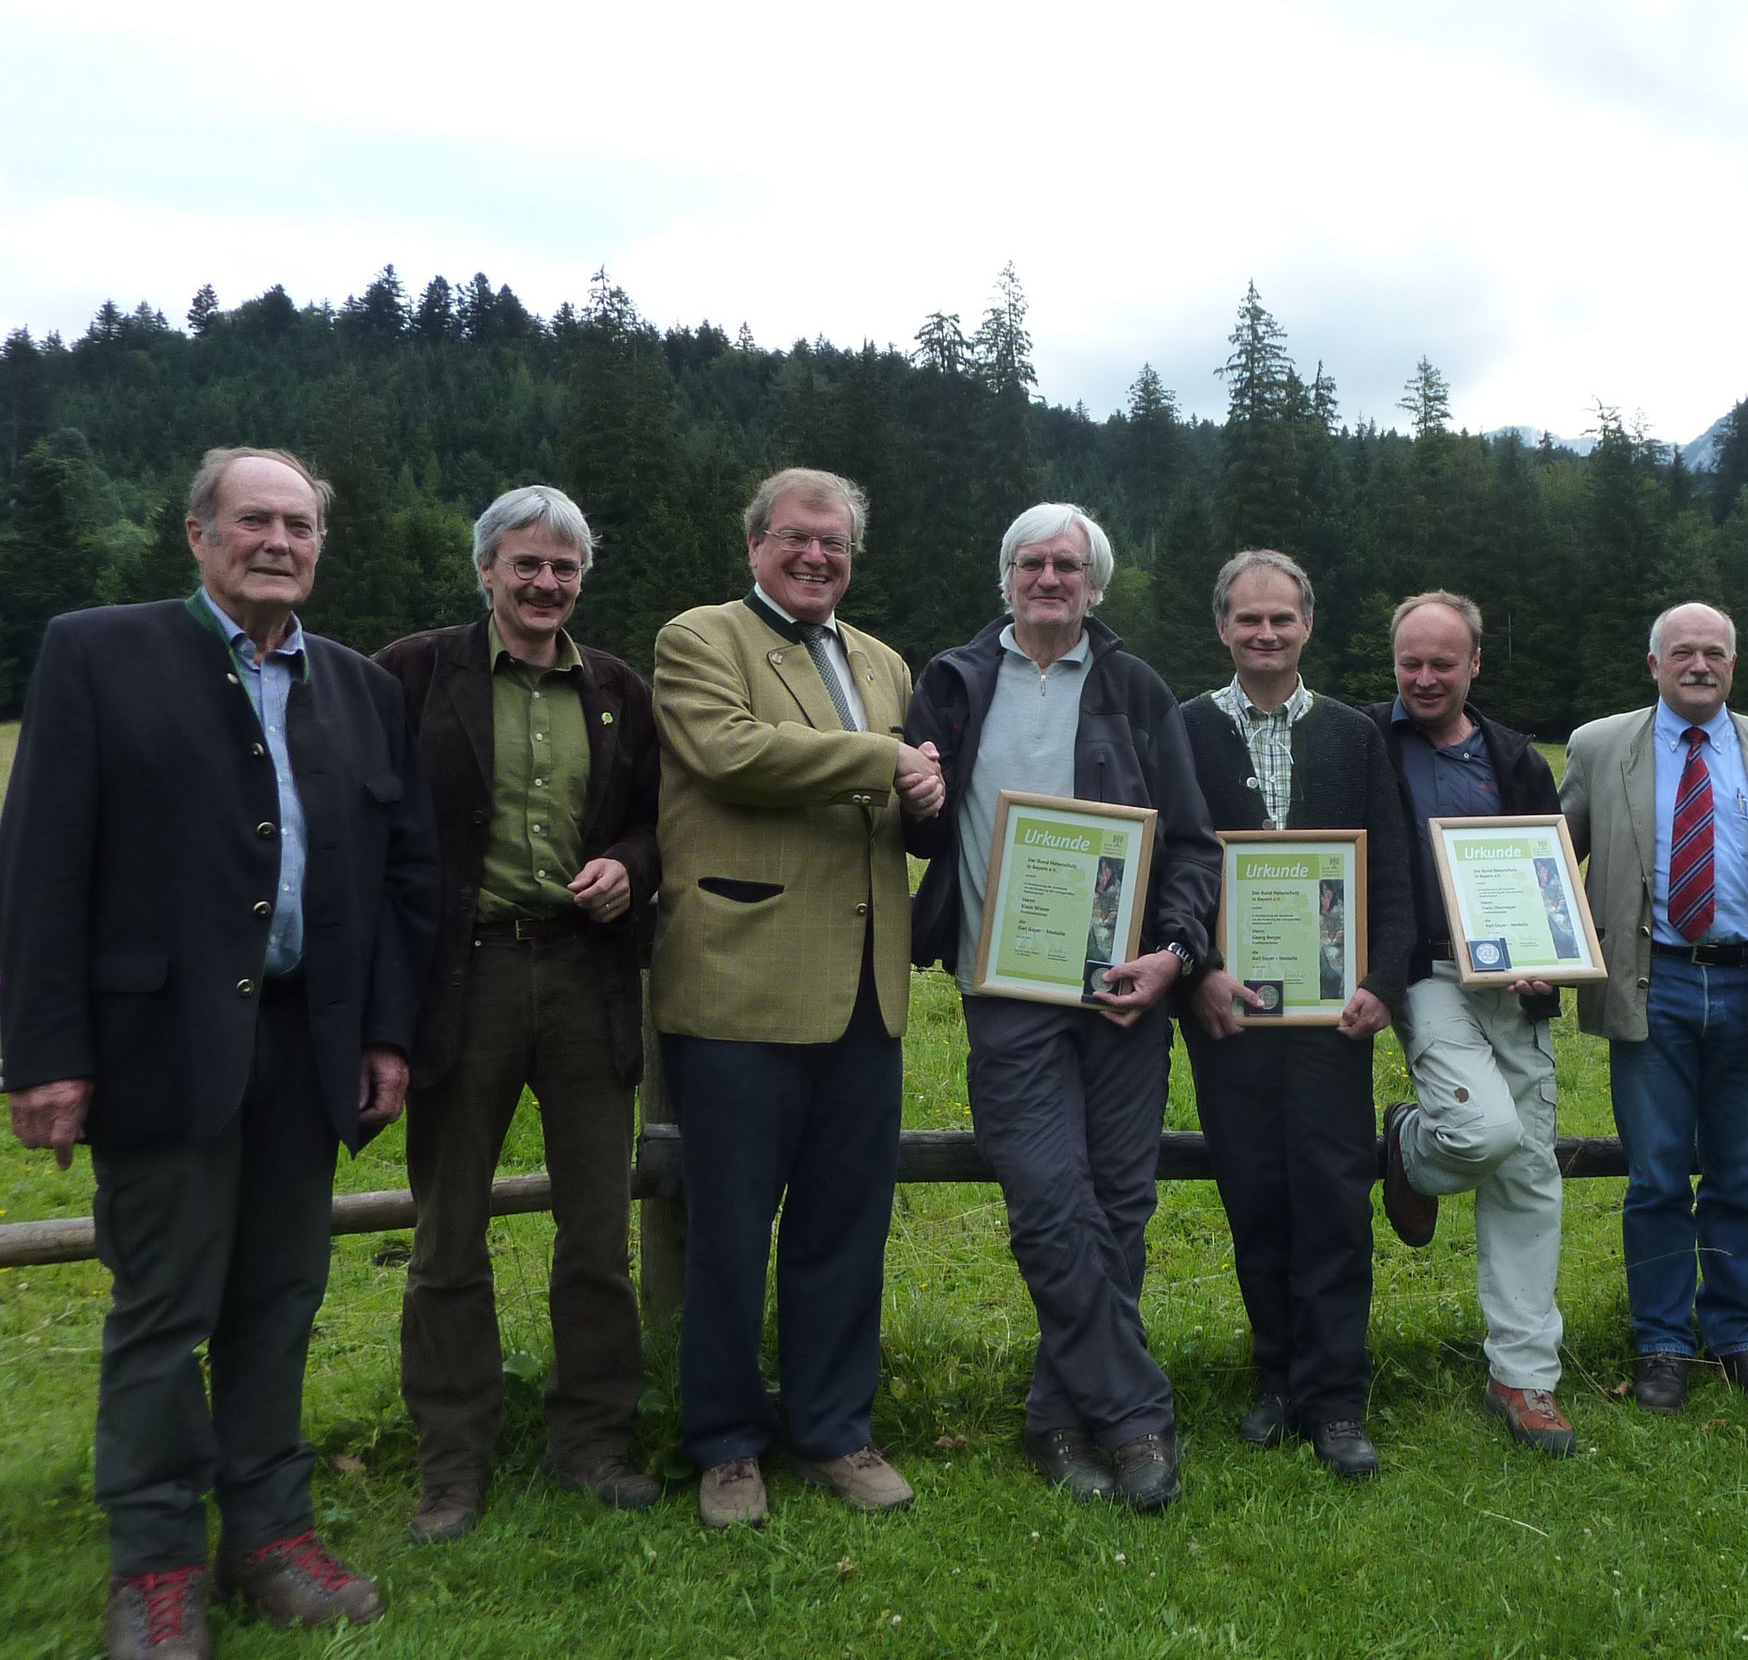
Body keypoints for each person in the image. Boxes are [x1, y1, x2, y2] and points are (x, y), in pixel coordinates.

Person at [0, 446, 438, 1659]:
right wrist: (42, 1053)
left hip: (306, 1046)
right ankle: (154, 1566)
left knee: (281, 1298)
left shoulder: (358, 686)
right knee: (165, 1307)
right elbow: (38, 868)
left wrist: (388, 1033)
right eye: (253, 520)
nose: (277, 541)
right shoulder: (100, 652)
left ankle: (269, 1534)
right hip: (159, 1044)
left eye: (298, 524)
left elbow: (403, 880)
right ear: (196, 535)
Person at [906, 503, 1217, 1512]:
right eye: (1032, 563)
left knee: (1120, 1204)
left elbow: (1192, 848)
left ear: (1095, 585)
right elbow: (915, 832)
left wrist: (1174, 954)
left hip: (1126, 991)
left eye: (1068, 566)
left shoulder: (1134, 688)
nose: (1050, 579)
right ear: (1006, 577)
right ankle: (1133, 1414)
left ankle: (1057, 1419)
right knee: (1048, 1201)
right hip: (1003, 990)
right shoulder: (951, 685)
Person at [650, 468, 945, 1527]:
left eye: (835, 544)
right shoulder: (701, 639)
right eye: (796, 539)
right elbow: (731, 754)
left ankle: (835, 1430)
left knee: (844, 1225)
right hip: (741, 981)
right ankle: (727, 1445)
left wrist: (930, 791)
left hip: (865, 990)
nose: (816, 557)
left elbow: (897, 801)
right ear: (754, 544)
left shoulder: (883, 659)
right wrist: (888, 761)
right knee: (728, 1227)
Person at [372, 486, 662, 1542]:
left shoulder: (621, 691)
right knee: (448, 1232)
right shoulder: (410, 672)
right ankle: (452, 1462)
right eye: (526, 565)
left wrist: (631, 868)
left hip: (587, 980)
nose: (546, 584)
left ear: (585, 577)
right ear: (486, 569)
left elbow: (654, 824)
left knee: (597, 1230)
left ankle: (593, 1441)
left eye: (565, 568)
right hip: (467, 978)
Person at [1559, 601, 1748, 1414]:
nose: (1698, 664)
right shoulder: (1598, 745)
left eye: (1713, 652)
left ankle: (1739, 1336)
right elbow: (1549, 859)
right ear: (1652, 664)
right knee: (1654, 1177)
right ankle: (1660, 1342)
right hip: (1654, 983)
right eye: (1681, 652)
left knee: (1739, 1176)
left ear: (1733, 663)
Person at [1176, 550, 1414, 1480]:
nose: (1265, 634)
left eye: (1281, 619)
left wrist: (1384, 984)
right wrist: (1198, 971)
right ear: (1223, 627)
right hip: (1226, 1010)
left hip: (1331, 1018)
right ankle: (1276, 1380)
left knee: (1331, 1197)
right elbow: (1168, 873)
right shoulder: (1185, 729)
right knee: (1255, 1194)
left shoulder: (1354, 735)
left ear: (1308, 625)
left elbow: (1390, 873)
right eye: (1248, 620)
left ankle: (1337, 1397)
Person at [1376, 590, 1575, 1455]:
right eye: (1411, 663)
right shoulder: (1365, 744)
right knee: (1485, 1132)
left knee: (1529, 1172)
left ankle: (1523, 1379)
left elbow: (1550, 870)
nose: (1425, 678)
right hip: (1424, 974)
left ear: (1474, 665)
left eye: (1442, 664)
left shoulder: (1513, 758)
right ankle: (1414, 1147)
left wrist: (1550, 954)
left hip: (1513, 981)